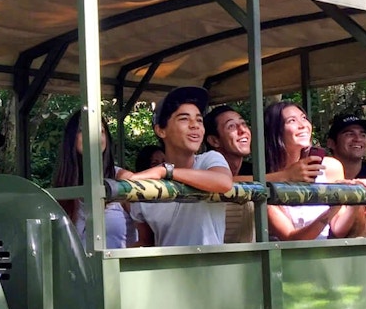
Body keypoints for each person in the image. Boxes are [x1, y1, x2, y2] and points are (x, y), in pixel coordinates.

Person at [125, 86, 236, 246]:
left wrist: (166, 171)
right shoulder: (145, 186)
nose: (195, 125)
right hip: (166, 269)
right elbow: (146, 243)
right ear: (161, 131)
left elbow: (224, 182)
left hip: (212, 268)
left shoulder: (209, 160)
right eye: (184, 119)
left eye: (199, 120)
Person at [263, 101, 361, 240]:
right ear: (275, 131)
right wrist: (286, 176)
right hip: (286, 256)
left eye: (304, 118)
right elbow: (292, 238)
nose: (303, 125)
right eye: (292, 120)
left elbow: (338, 228)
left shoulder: (330, 167)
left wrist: (356, 196)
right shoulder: (268, 177)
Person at [52, 113, 132, 249]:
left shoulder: (122, 179)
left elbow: (149, 238)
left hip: (116, 269)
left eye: (100, 131)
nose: (93, 136)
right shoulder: (63, 187)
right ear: (71, 137)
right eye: (84, 130)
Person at [204, 104, 255, 242]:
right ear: (214, 140)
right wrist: (285, 176)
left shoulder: (252, 169)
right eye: (231, 126)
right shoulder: (204, 169)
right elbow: (223, 181)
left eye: (243, 123)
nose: (242, 130)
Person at [326, 113, 366, 180]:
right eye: (349, 134)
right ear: (331, 143)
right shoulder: (319, 175)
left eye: (362, 135)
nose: (358, 139)